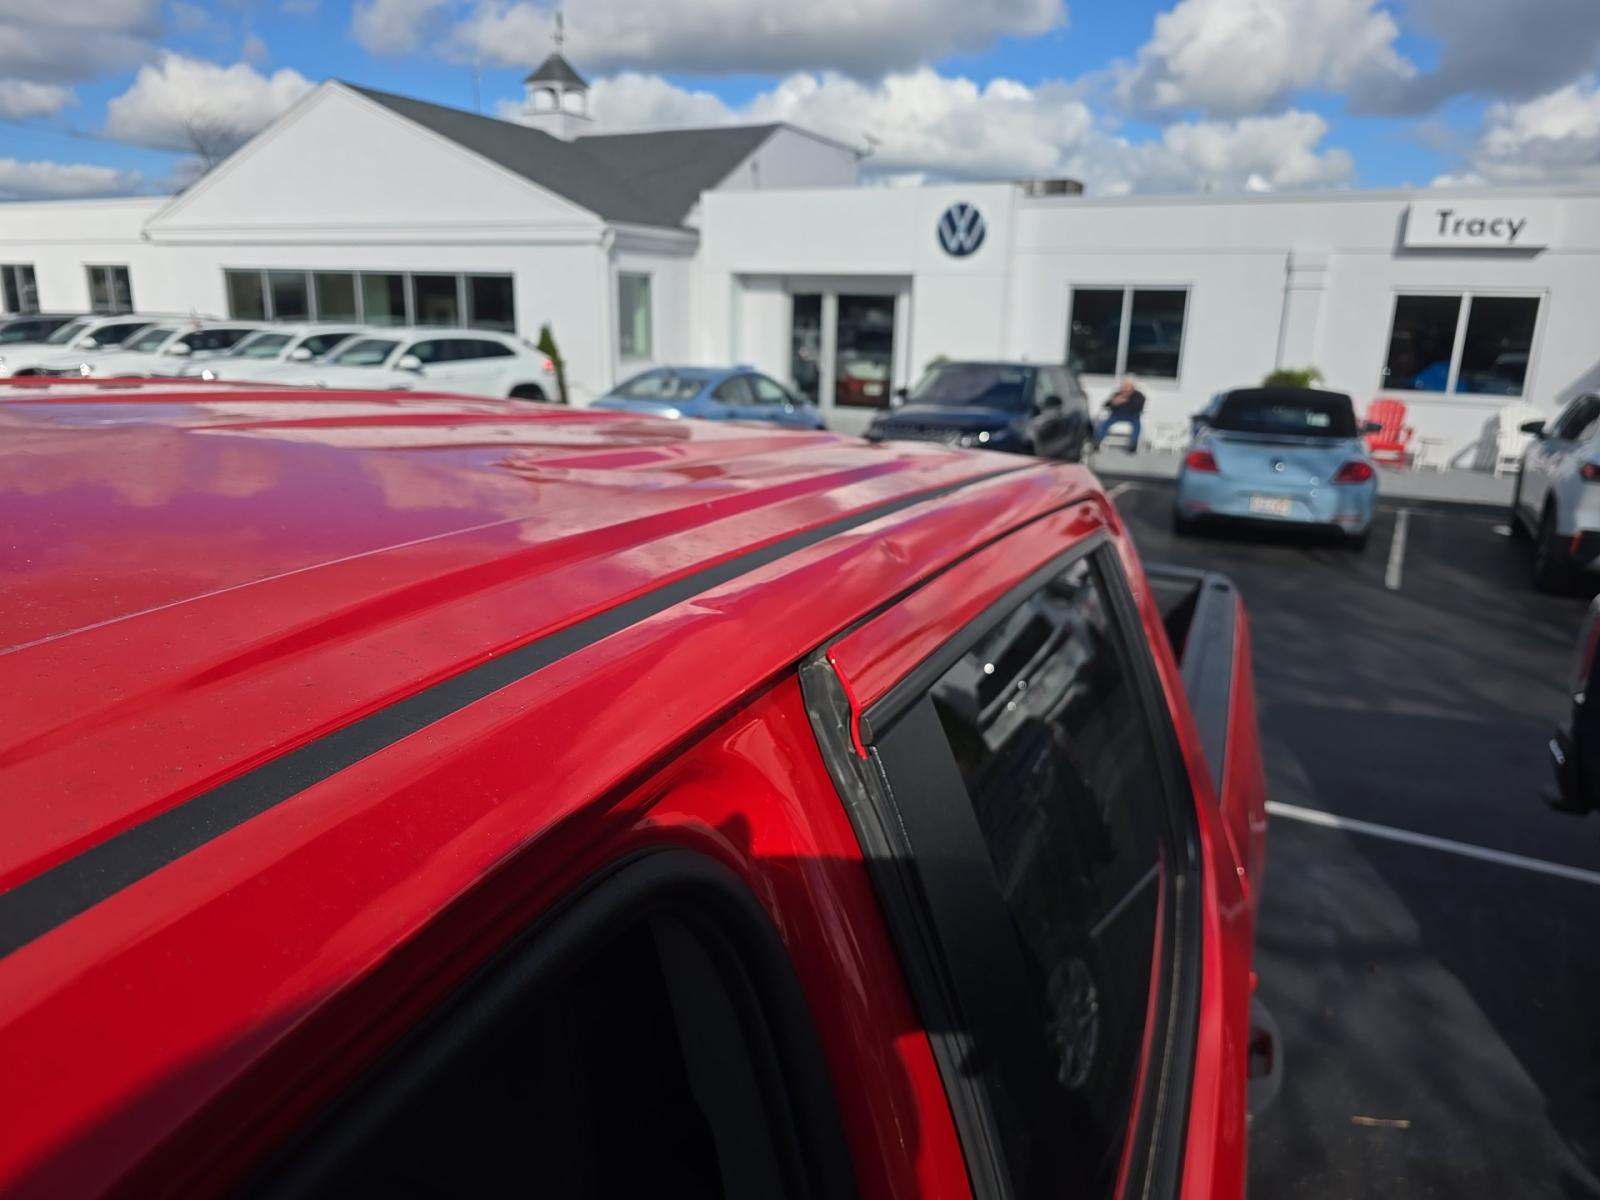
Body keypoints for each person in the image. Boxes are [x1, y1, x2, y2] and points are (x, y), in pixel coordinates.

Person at [1093, 377, 1146, 452]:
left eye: (1127, 387)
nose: (1125, 389)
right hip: (1116, 415)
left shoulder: (1138, 395)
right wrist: (1113, 402)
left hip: (1132, 416)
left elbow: (1138, 407)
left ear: (1132, 387)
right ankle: (1097, 442)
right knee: (1103, 423)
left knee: (1137, 425)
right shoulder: (1117, 394)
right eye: (1124, 386)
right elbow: (1105, 405)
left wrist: (1126, 400)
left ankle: (1133, 445)